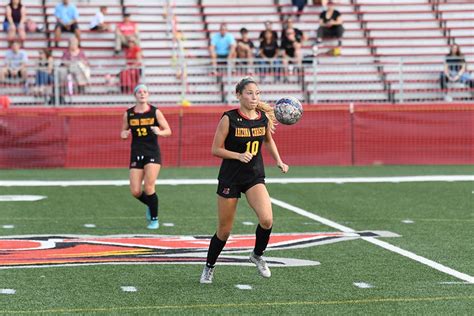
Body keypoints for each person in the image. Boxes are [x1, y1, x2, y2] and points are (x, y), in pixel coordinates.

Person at [200, 76, 289, 284]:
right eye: (249, 93)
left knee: (267, 220)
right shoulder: (228, 118)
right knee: (224, 230)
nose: (254, 97)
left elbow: (268, 140)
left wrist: (279, 160)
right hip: (230, 178)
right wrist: (238, 155)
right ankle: (209, 267)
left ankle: (257, 255)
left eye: (257, 93)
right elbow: (215, 149)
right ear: (238, 95)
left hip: (254, 176)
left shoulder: (262, 118)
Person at [120, 84, 172, 229]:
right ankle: (150, 204)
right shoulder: (129, 114)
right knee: (135, 191)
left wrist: (159, 132)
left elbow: (168, 130)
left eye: (145, 92)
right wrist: (123, 134)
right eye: (139, 92)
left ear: (148, 95)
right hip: (136, 153)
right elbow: (123, 131)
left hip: (152, 152)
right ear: (135, 95)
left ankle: (154, 219)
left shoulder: (155, 112)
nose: (142, 94)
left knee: (149, 187)